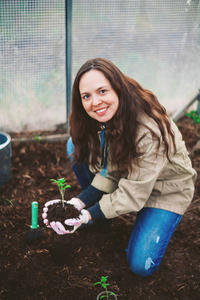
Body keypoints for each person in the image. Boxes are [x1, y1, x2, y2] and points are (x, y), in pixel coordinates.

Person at [42, 57, 196, 277]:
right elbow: (110, 172)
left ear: (117, 88)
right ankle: (100, 219)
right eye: (86, 96)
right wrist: (77, 204)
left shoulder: (148, 129)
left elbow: (134, 193)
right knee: (74, 145)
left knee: (141, 266)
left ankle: (109, 215)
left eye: (102, 91)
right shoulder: (105, 116)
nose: (95, 102)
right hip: (130, 176)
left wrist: (86, 215)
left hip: (164, 190)